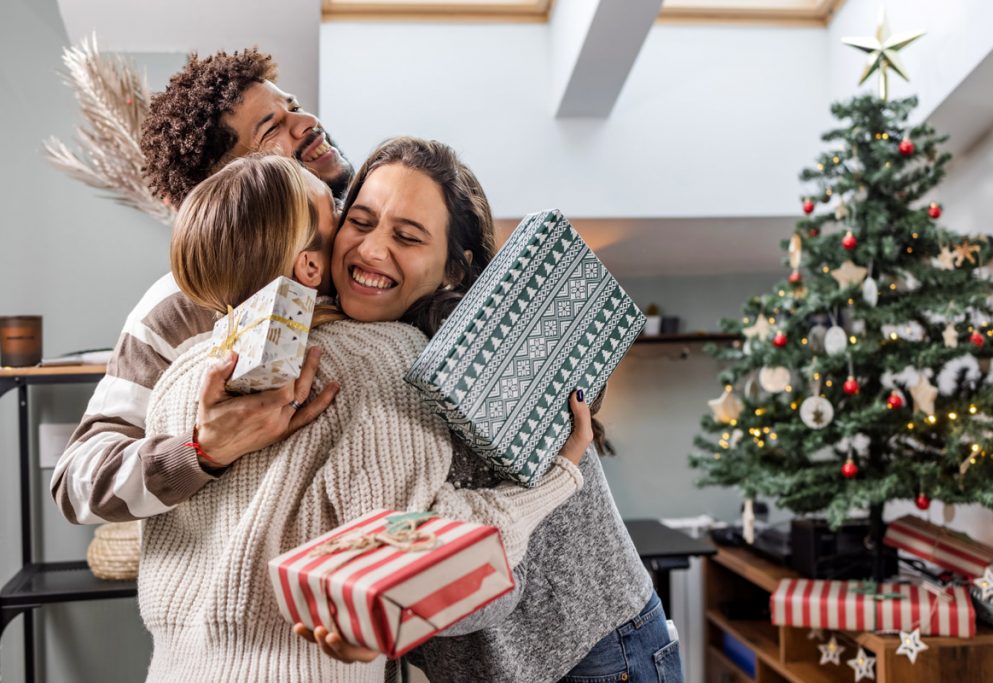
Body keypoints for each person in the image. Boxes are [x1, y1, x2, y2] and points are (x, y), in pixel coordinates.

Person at [138, 152, 590, 682]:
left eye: (408, 235)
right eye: (347, 216)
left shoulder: (177, 376)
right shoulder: (378, 355)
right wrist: (560, 476)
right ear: (310, 264)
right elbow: (425, 550)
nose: (369, 247)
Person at [302, 136, 683, 682]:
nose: (370, 250)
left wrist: (386, 617)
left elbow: (495, 579)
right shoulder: (357, 341)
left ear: (455, 268)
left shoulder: (469, 363)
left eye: (407, 236)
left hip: (590, 658)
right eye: (360, 222)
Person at [51, 48, 353, 525]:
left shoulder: (369, 262)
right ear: (230, 187)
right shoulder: (176, 309)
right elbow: (76, 483)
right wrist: (200, 451)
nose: (307, 122)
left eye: (292, 106)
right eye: (271, 129)